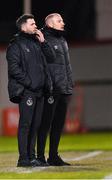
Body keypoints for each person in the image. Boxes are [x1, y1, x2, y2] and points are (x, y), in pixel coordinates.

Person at [6, 14, 53, 167]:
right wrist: (30, 83)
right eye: (32, 24)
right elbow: (14, 69)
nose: (36, 26)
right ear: (23, 26)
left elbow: (51, 58)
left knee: (36, 125)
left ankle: (32, 157)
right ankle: (23, 158)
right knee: (26, 125)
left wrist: (44, 41)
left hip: (40, 92)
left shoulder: (37, 43)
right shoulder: (15, 45)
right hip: (27, 91)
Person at [37, 13, 73, 166]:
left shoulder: (62, 40)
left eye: (62, 20)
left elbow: (66, 67)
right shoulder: (42, 39)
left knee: (58, 124)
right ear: (50, 24)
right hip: (51, 89)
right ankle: (40, 157)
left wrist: (69, 84)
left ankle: (53, 156)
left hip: (64, 89)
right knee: (45, 123)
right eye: (59, 21)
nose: (63, 23)